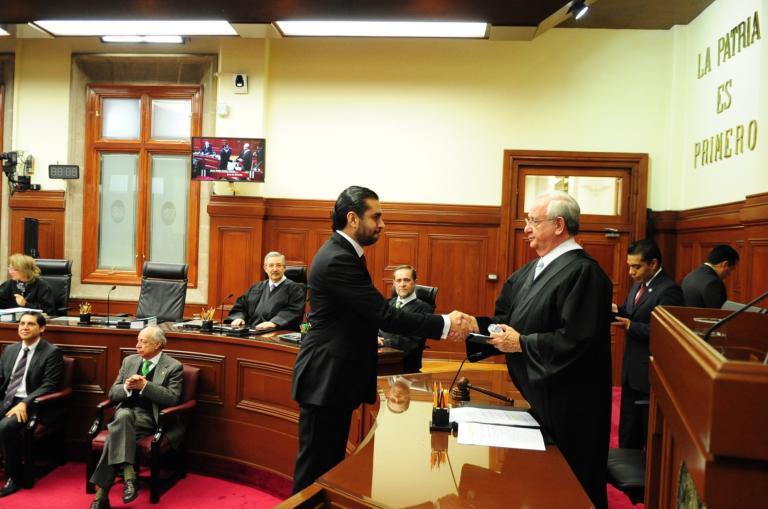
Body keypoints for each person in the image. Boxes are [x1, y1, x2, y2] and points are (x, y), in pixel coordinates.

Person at [290, 185, 475, 493]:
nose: (382, 224)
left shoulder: (346, 253)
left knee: (328, 467)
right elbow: (385, 315)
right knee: (314, 473)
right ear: (352, 218)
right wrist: (445, 324)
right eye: (376, 217)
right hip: (326, 377)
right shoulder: (338, 258)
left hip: (333, 378)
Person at [465, 190, 613, 509]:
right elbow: (506, 321)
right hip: (538, 395)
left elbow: (577, 341)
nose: (526, 228)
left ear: (559, 225)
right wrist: (473, 327)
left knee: (569, 491)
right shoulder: (532, 270)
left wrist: (520, 343)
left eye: (532, 220)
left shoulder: (584, 273)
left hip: (571, 407)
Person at [89, 326, 183, 509]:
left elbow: (172, 398)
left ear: (157, 345)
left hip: (151, 417)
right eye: (138, 340)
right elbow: (112, 393)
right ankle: (129, 474)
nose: (137, 345)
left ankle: (101, 495)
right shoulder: (129, 361)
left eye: (143, 341)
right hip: (127, 414)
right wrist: (126, 387)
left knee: (116, 431)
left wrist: (145, 386)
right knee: (123, 415)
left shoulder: (173, 366)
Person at [615, 239, 683, 450]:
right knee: (628, 430)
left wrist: (630, 326)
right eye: (629, 266)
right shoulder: (638, 285)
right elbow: (630, 311)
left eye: (636, 266)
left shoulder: (669, 290)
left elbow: (665, 333)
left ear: (653, 264)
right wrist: (616, 310)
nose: (631, 272)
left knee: (646, 434)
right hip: (631, 372)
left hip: (648, 375)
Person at [0, 311, 64, 497]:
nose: (24, 327)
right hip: (7, 399)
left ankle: (13, 478)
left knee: (6, 426)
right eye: (22, 324)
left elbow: (50, 385)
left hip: (33, 404)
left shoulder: (51, 352)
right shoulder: (10, 349)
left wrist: (25, 403)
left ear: (42, 328)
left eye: (30, 324)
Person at [378, 265, 435, 372]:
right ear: (394, 283)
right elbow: (377, 327)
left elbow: (411, 342)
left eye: (406, 280)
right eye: (398, 280)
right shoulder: (387, 303)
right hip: (381, 359)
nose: (402, 284)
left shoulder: (425, 309)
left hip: (405, 366)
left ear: (414, 282)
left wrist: (383, 342)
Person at [228, 251, 306, 331]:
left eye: (278, 265)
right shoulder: (256, 287)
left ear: (284, 268)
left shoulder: (295, 289)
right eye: (271, 265)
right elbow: (241, 305)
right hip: (252, 331)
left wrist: (274, 323)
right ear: (265, 268)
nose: (275, 269)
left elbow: (293, 311)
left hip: (277, 332)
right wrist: (239, 318)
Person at [681, 244, 739, 308]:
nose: (729, 274)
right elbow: (719, 314)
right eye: (731, 269)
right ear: (725, 264)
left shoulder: (691, 275)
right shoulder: (713, 283)